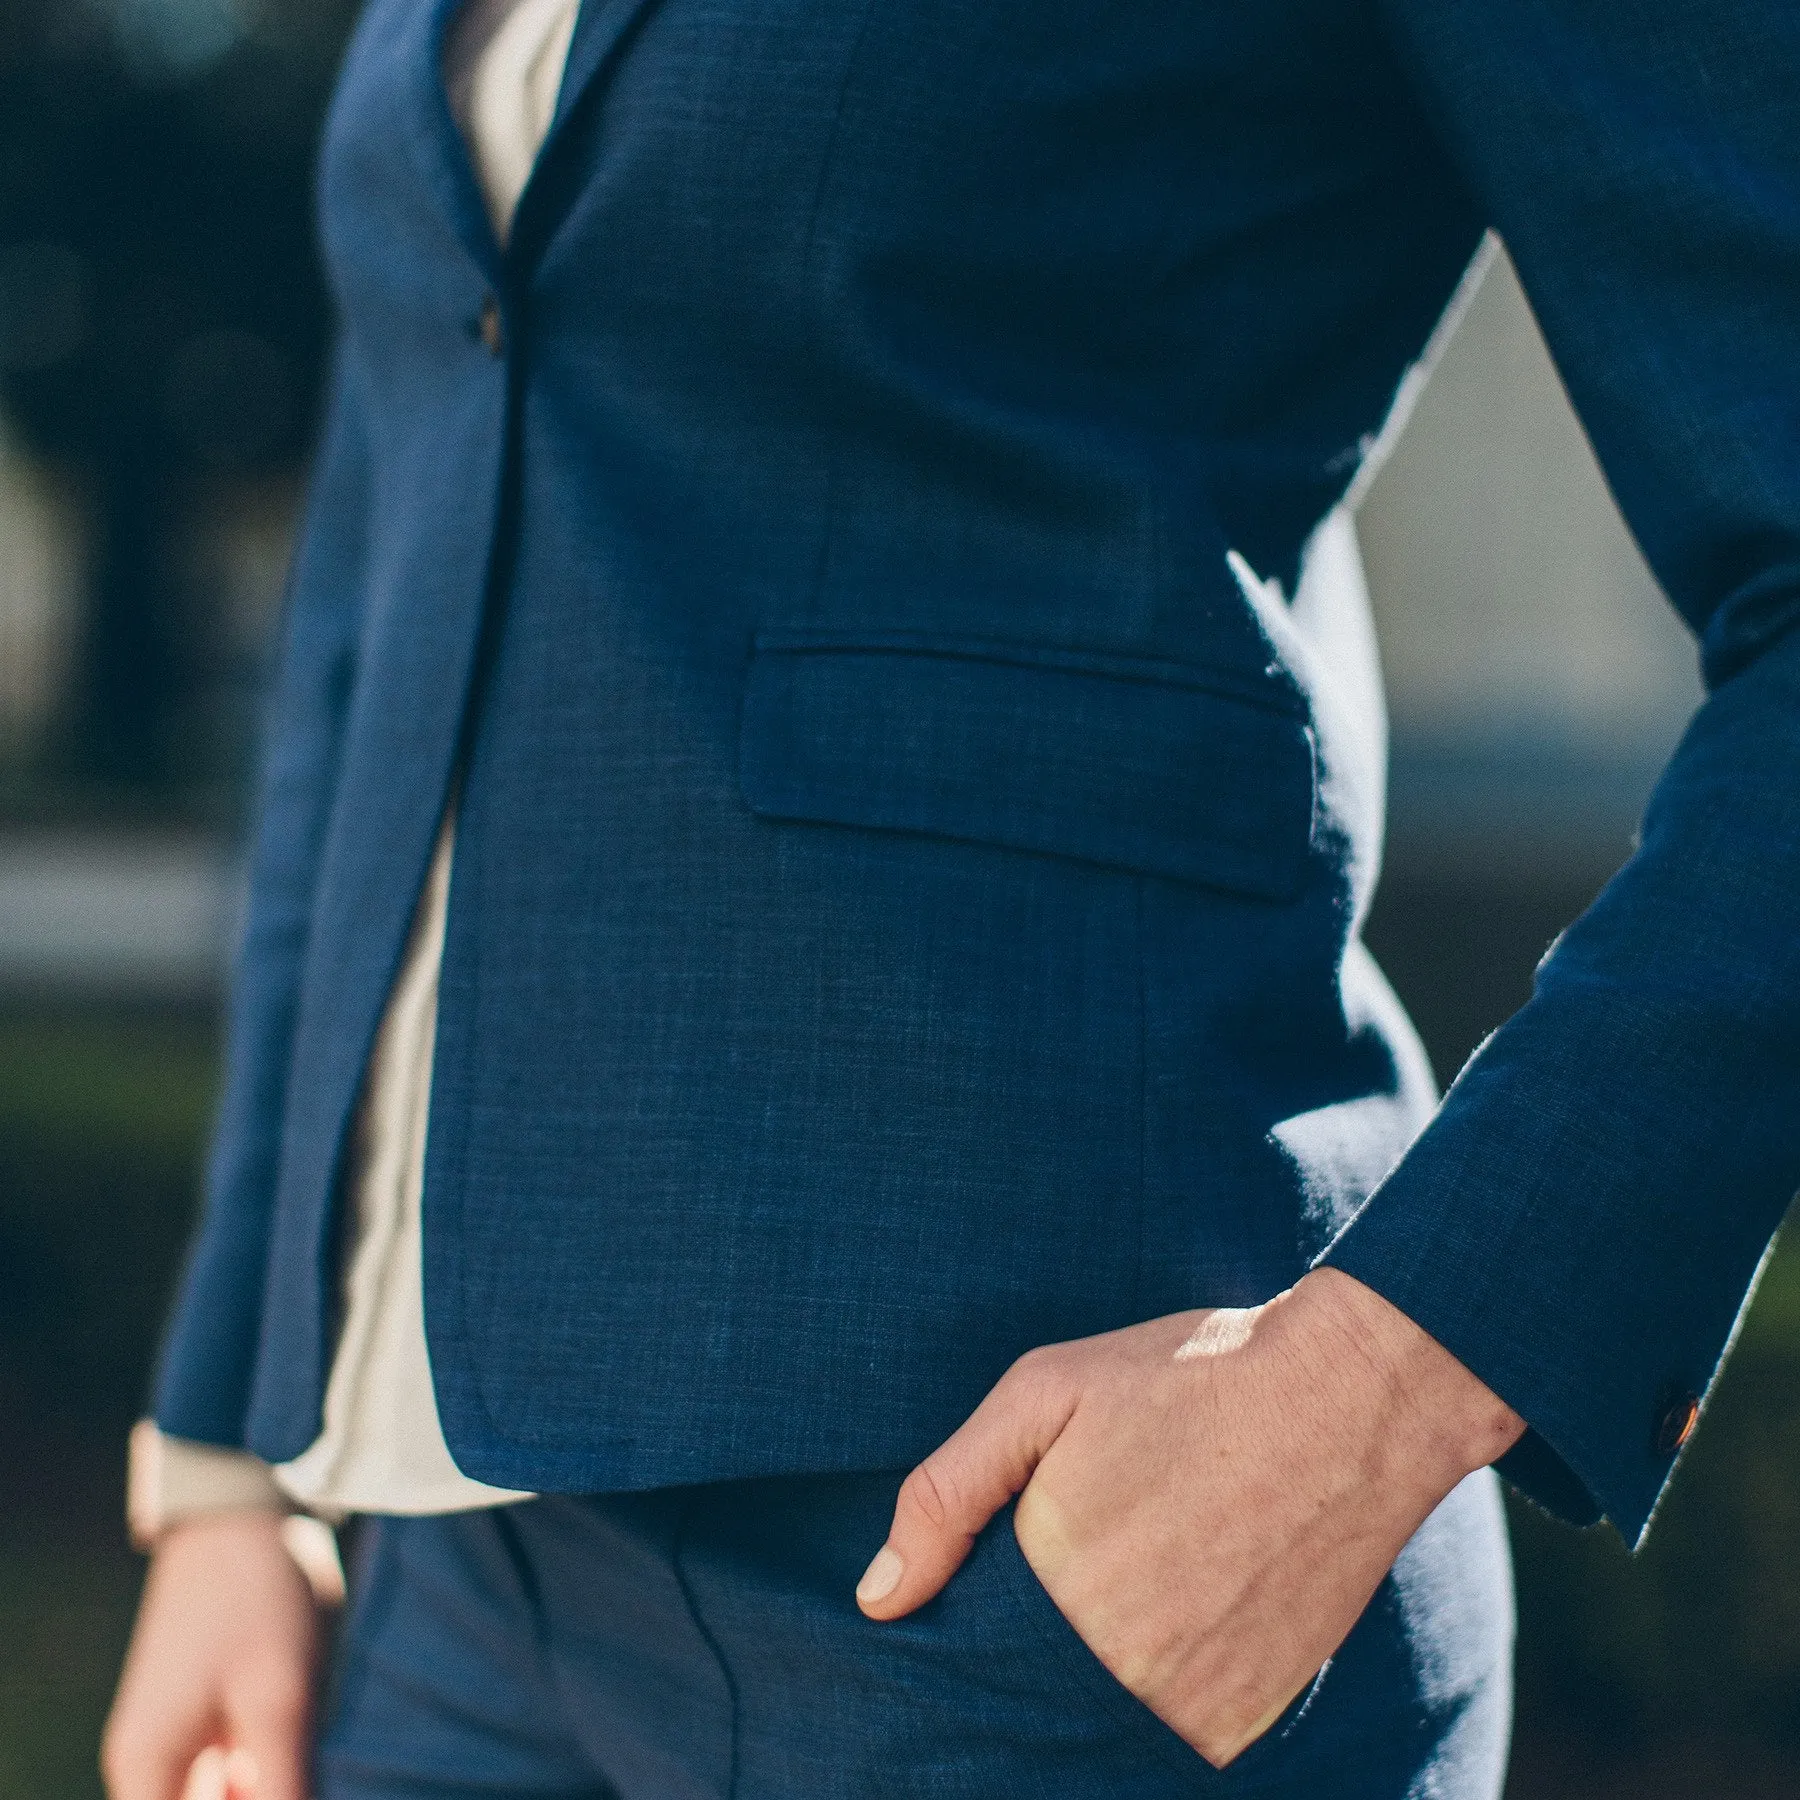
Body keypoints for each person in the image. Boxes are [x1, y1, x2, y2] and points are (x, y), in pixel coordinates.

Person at [103, 0, 1800, 1796]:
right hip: (440, 1587)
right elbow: (374, 653)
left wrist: (1382, 1386)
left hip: (1020, 1578)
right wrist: (225, 1456)